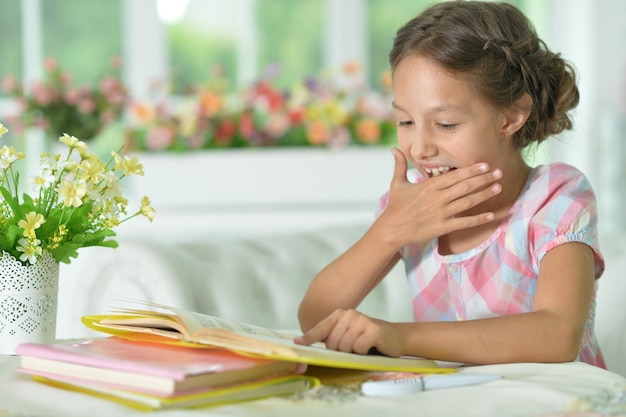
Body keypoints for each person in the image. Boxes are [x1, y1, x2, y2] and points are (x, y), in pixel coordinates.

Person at [295, 0, 606, 368]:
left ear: (511, 117)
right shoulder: (411, 207)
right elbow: (315, 319)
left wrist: (402, 336)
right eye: (406, 122)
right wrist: (390, 231)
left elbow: (557, 335)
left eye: (445, 125)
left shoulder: (554, 197)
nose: (420, 148)